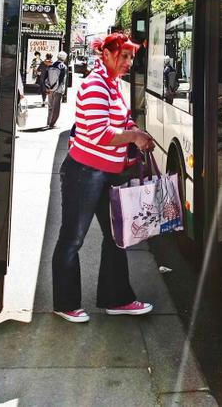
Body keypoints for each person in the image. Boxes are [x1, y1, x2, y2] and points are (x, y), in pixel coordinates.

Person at [51, 32, 156, 323]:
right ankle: (65, 303)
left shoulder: (111, 84)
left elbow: (121, 120)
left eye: (131, 56)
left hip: (107, 174)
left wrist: (136, 130)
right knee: (73, 239)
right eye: (123, 56)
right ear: (105, 55)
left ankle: (117, 299)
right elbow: (100, 133)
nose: (128, 62)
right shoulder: (96, 85)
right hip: (84, 174)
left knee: (116, 238)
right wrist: (134, 136)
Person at [44, 51, 68, 128]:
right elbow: (61, 80)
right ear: (64, 58)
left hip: (50, 89)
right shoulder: (63, 66)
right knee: (56, 107)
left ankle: (48, 122)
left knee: (50, 106)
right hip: (58, 90)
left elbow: (46, 77)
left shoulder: (51, 65)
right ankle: (52, 124)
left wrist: (48, 87)